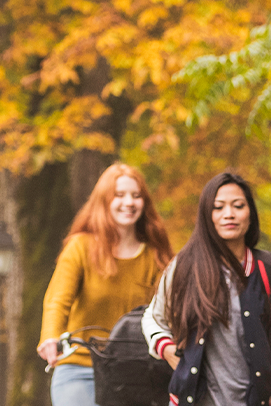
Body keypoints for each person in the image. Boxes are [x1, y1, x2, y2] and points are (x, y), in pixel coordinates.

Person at [144, 172, 271, 406]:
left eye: (238, 206)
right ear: (206, 216)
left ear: (250, 214)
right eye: (218, 207)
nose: (229, 214)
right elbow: (153, 318)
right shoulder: (184, 266)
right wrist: (165, 349)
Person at [39, 163, 176, 406]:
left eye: (136, 196)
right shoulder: (81, 247)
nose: (129, 202)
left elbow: (170, 311)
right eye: (119, 195)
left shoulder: (155, 256)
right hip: (80, 367)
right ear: (105, 201)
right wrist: (51, 337)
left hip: (134, 371)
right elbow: (57, 300)